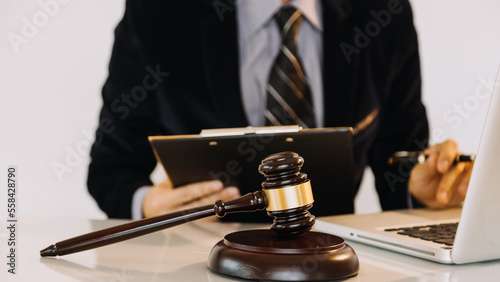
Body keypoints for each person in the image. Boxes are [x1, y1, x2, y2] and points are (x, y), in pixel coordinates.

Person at [88, 0, 473, 220]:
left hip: (337, 263)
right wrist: (147, 204)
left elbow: (398, 157)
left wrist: (420, 190)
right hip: (201, 262)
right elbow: (110, 168)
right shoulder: (158, 14)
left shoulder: (385, 15)